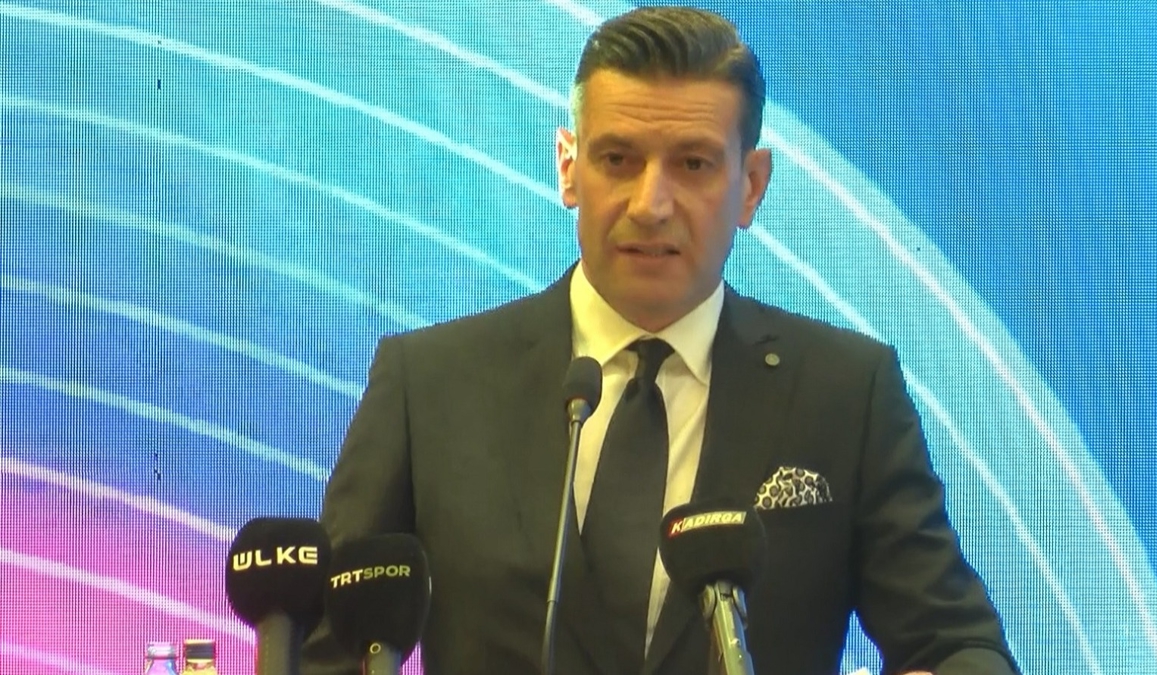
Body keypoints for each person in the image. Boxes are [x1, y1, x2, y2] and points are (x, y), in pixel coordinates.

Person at [300, 6, 1018, 675]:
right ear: (568, 167)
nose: (650, 204)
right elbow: (326, 653)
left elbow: (959, 644)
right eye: (618, 159)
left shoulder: (843, 391)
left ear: (752, 185)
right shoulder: (429, 384)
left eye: (693, 163)